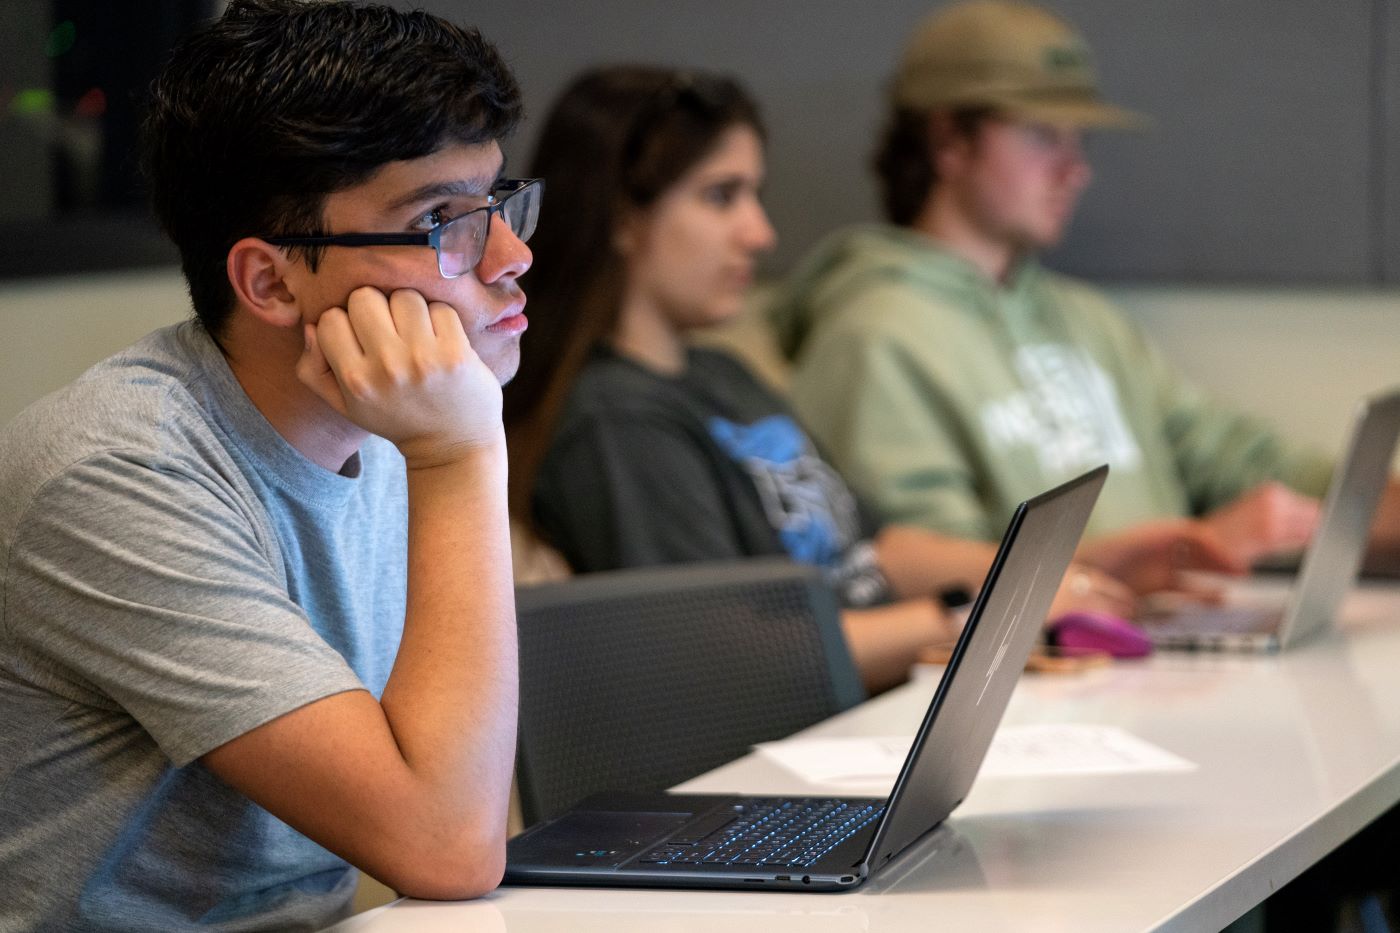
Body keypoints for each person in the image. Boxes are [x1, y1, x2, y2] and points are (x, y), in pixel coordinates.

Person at [0, 1, 535, 928]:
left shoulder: (389, 427)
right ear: (272, 280)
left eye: (497, 202)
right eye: (444, 219)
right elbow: (446, 845)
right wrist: (459, 454)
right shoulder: (115, 471)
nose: (511, 255)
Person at [504, 65, 1134, 695]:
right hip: (783, 748)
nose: (760, 233)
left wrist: (1053, 575)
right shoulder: (614, 420)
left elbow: (870, 549)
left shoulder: (721, 374)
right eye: (722, 196)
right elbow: (731, 659)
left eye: (755, 195)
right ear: (622, 216)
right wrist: (982, 620)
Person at [769, 0, 1338, 594]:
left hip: (1156, 656)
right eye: (1043, 135)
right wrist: (1179, 554)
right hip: (1043, 677)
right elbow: (936, 581)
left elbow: (1233, 453)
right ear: (949, 142)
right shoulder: (873, 336)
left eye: (1078, 139)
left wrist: (1357, 499)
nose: (1076, 170)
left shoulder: (1086, 318)